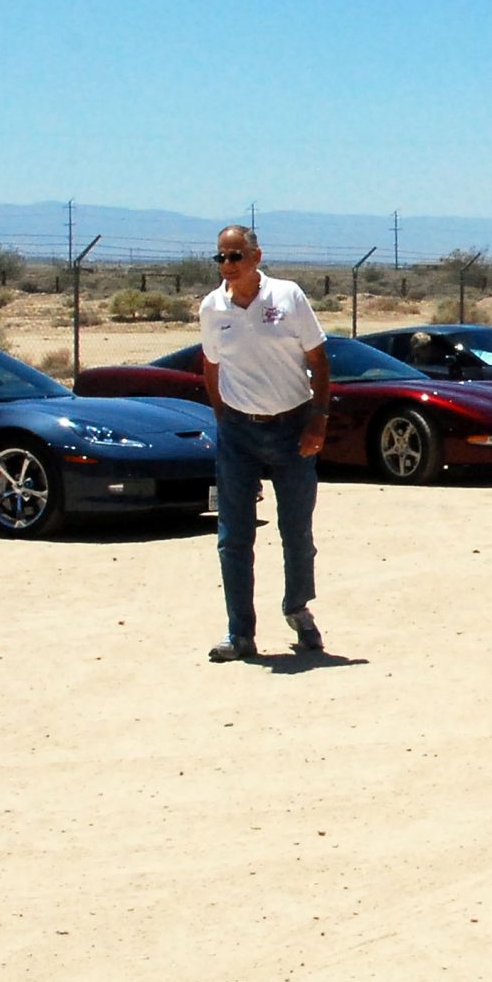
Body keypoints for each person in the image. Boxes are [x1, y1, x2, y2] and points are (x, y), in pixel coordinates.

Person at [199, 225, 331, 661]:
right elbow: (211, 365)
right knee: (233, 535)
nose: (227, 265)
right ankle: (240, 633)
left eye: (235, 256)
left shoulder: (287, 296)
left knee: (296, 530)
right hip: (238, 432)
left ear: (256, 257)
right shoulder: (212, 308)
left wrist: (317, 420)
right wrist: (224, 418)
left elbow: (318, 359)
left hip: (292, 427)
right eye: (220, 257)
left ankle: (298, 608)